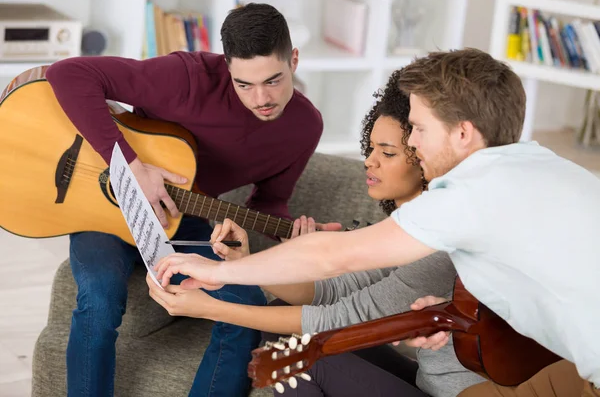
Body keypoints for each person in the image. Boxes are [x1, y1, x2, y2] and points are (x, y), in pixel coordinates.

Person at [154, 48, 600, 397]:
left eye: (421, 128)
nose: (415, 144)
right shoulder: (543, 165)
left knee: (308, 357)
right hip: (573, 369)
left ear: (463, 134)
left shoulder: (469, 194)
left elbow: (335, 257)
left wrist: (217, 274)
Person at [44, 3, 341, 397]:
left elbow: (269, 204)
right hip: (106, 213)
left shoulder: (305, 127)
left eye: (273, 80)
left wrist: (290, 237)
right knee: (99, 298)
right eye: (244, 84)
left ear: (295, 61)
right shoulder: (184, 77)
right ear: (226, 67)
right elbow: (67, 73)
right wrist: (132, 166)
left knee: (246, 302)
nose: (261, 98)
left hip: (187, 220)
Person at [146, 70, 485, 397]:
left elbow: (341, 316)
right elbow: (334, 291)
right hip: (427, 383)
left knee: (296, 360)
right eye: (371, 149)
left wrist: (208, 307)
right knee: (283, 326)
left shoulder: (439, 243)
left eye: (388, 152)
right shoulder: (406, 228)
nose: (369, 161)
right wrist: (246, 264)